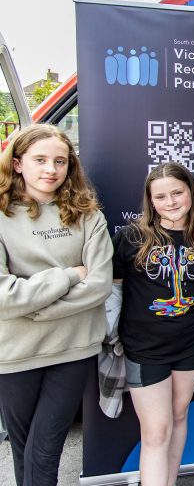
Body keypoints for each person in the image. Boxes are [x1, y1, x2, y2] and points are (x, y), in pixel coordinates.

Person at [0, 124, 112, 486]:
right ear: (18, 164)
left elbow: (98, 284)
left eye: (60, 161)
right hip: (15, 353)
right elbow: (4, 295)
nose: (51, 169)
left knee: (44, 450)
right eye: (40, 160)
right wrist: (67, 276)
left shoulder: (88, 215)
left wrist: (35, 307)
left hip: (73, 349)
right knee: (23, 450)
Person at [112, 162, 194, 486]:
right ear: (150, 200)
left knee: (179, 415)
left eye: (177, 193)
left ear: (191, 193)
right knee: (156, 431)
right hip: (145, 349)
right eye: (161, 197)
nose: (170, 202)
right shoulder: (131, 237)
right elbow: (114, 291)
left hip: (190, 345)